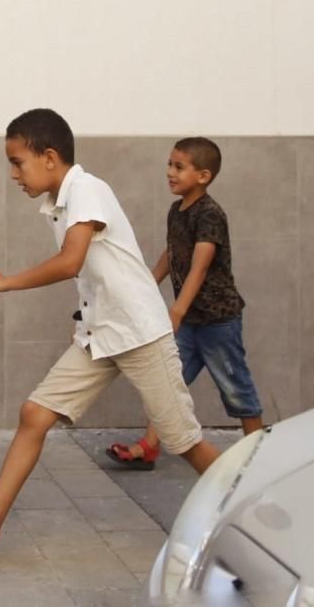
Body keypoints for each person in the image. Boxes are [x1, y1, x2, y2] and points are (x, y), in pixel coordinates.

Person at [0, 108, 220, 561]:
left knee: (184, 442)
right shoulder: (60, 200)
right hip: (101, 336)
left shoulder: (86, 189)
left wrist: (6, 282)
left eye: (17, 162)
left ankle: (260, 506)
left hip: (140, 334)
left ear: (49, 157)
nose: (13, 174)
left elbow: (71, 260)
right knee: (34, 414)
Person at [107, 137, 263, 470]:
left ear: (203, 176)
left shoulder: (209, 214)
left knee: (236, 388)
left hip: (217, 322)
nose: (170, 172)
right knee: (166, 382)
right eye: (169, 165)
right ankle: (149, 446)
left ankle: (258, 456)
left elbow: (200, 265)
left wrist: (176, 310)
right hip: (191, 321)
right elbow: (173, 253)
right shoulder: (177, 211)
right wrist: (145, 285)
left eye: (179, 167)